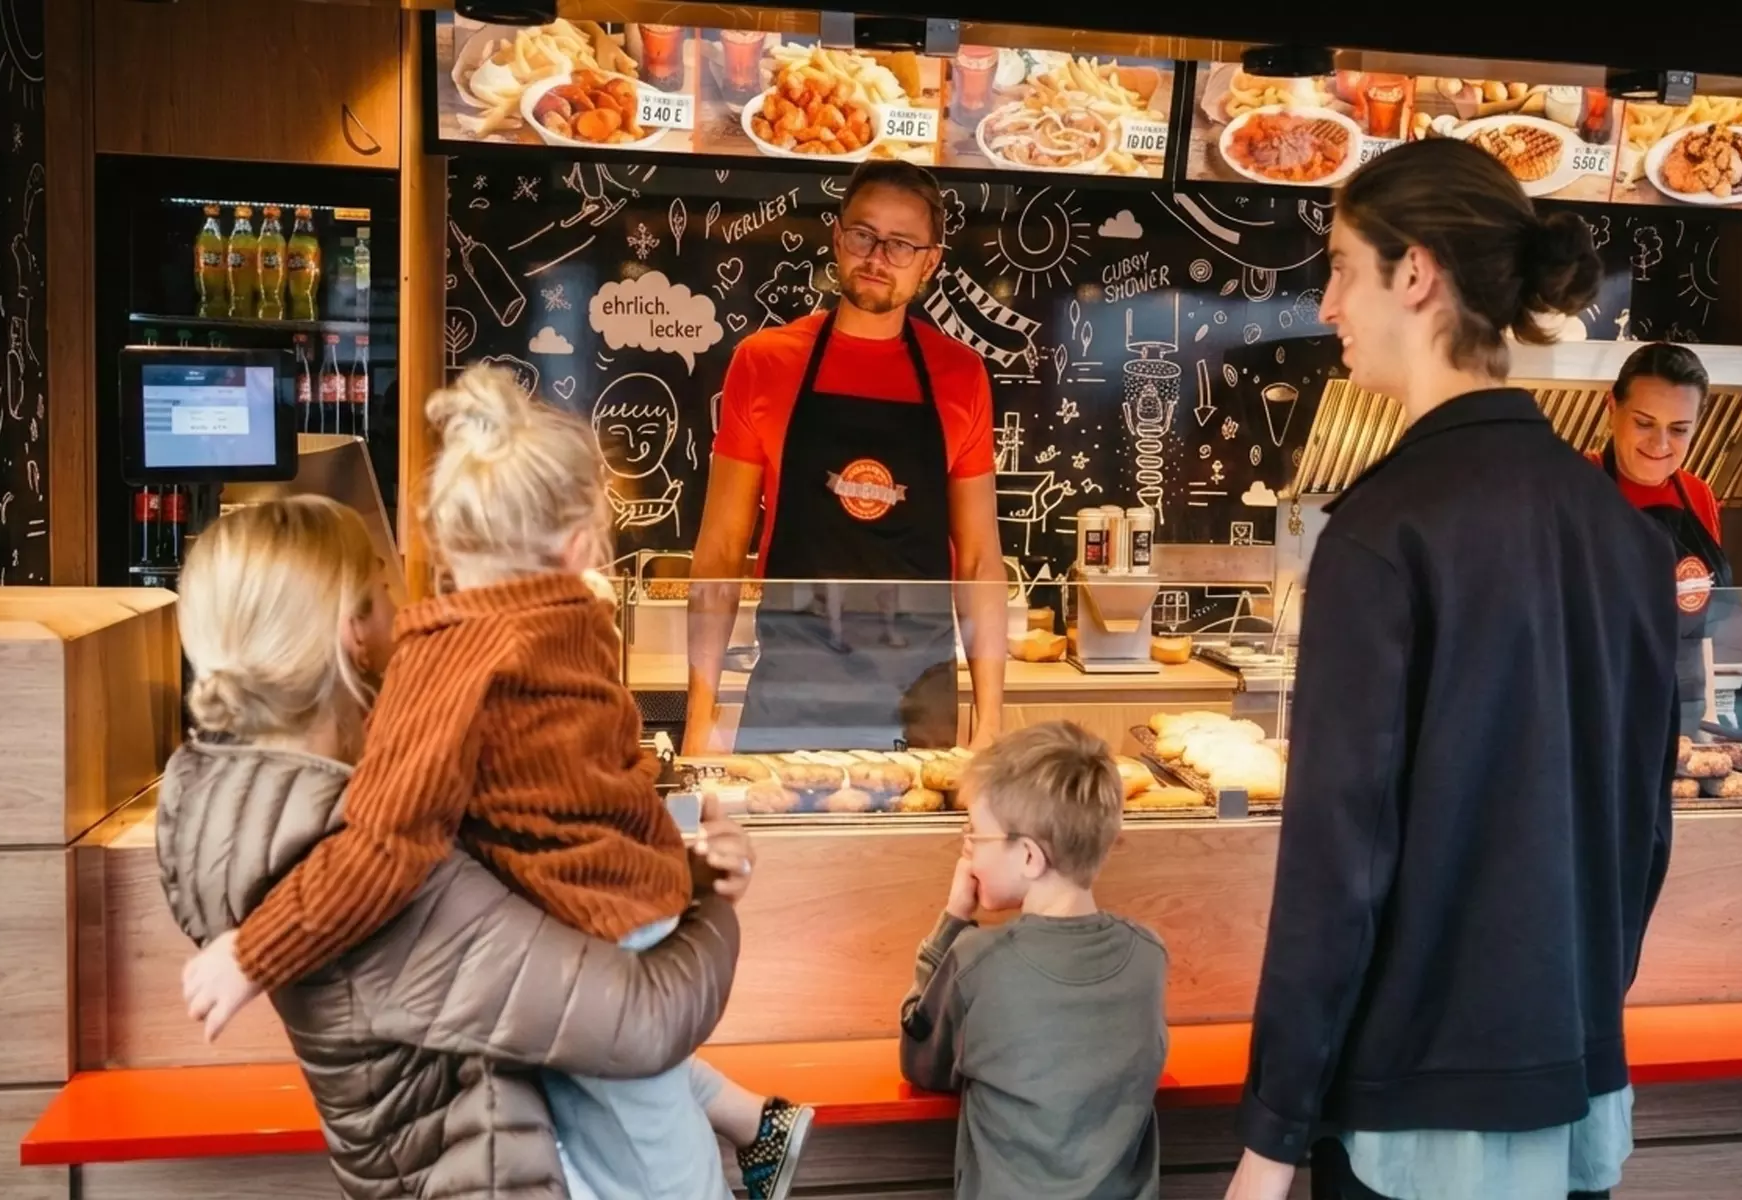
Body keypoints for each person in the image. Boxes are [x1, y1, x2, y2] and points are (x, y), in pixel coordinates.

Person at [177, 368, 812, 1200]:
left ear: (439, 543)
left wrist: (252, 955)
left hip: (588, 951)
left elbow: (385, 845)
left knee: (661, 1179)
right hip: (634, 919)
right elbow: (598, 794)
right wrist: (699, 886)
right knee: (651, 1130)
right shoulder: (578, 627)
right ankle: (757, 1128)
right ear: (580, 549)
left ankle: (746, 1139)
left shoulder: (451, 659)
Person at [1224, 138, 1679, 1200]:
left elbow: (1337, 868)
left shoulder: (1381, 532)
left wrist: (1271, 1136)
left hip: (1411, 1123)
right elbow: (1645, 832)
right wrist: (1575, 1014)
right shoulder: (1623, 533)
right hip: (1575, 1091)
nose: (1327, 303)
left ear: (1416, 273)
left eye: (1343, 268)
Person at [685, 159, 1008, 756]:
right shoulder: (764, 361)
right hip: (794, 687)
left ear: (930, 262)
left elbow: (980, 561)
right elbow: (721, 553)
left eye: (902, 244)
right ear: (837, 237)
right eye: (864, 234)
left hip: (918, 696)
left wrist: (990, 727)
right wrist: (698, 726)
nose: (878, 257)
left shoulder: (961, 376)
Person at [900, 720, 1167, 1199]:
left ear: (1028, 857)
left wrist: (953, 920)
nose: (967, 851)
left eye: (975, 835)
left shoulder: (978, 963)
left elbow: (921, 1062)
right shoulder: (1148, 957)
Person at [1599, 342, 1729, 734]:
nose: (1660, 444)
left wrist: (1707, 716)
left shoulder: (1699, 496)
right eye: (1644, 423)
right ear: (1612, 408)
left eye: (1678, 430)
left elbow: (1701, 623)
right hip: (1598, 707)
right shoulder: (1574, 487)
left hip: (1683, 708)